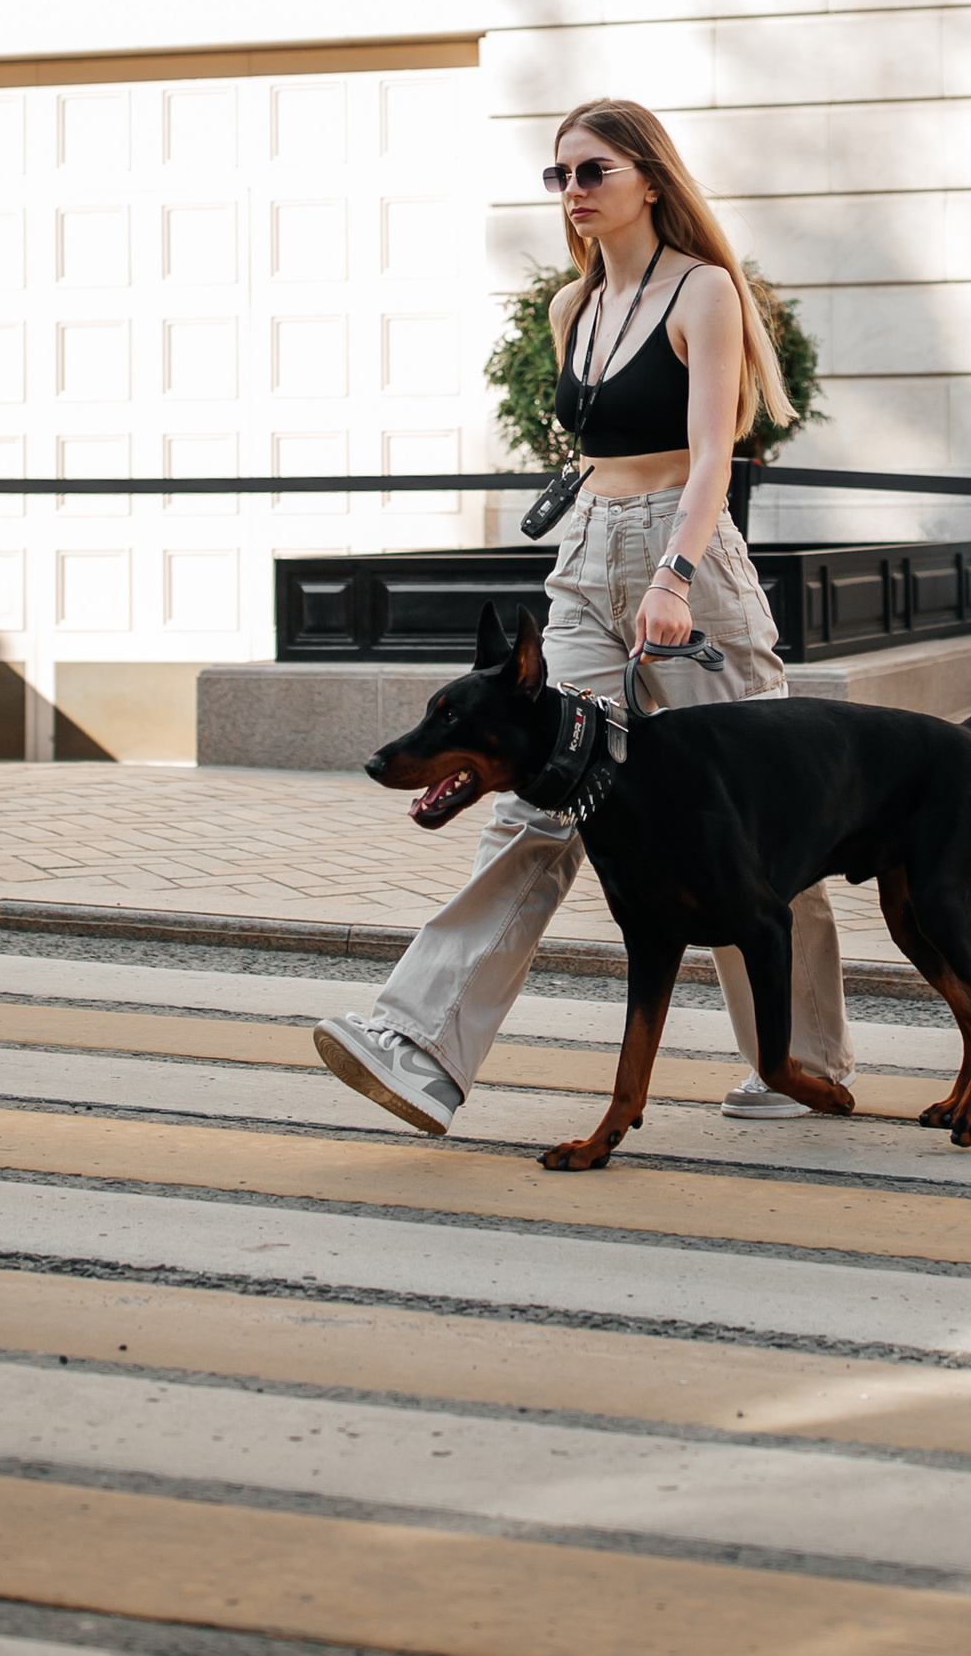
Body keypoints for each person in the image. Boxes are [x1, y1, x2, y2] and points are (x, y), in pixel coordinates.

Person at [315, 97, 851, 1135]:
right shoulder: (573, 307)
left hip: (686, 562)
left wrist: (673, 577)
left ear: (650, 178)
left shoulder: (702, 291)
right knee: (536, 799)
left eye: (593, 170)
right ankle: (420, 1042)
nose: (573, 191)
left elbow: (714, 457)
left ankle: (796, 1060)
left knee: (761, 816)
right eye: (559, 174)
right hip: (584, 558)